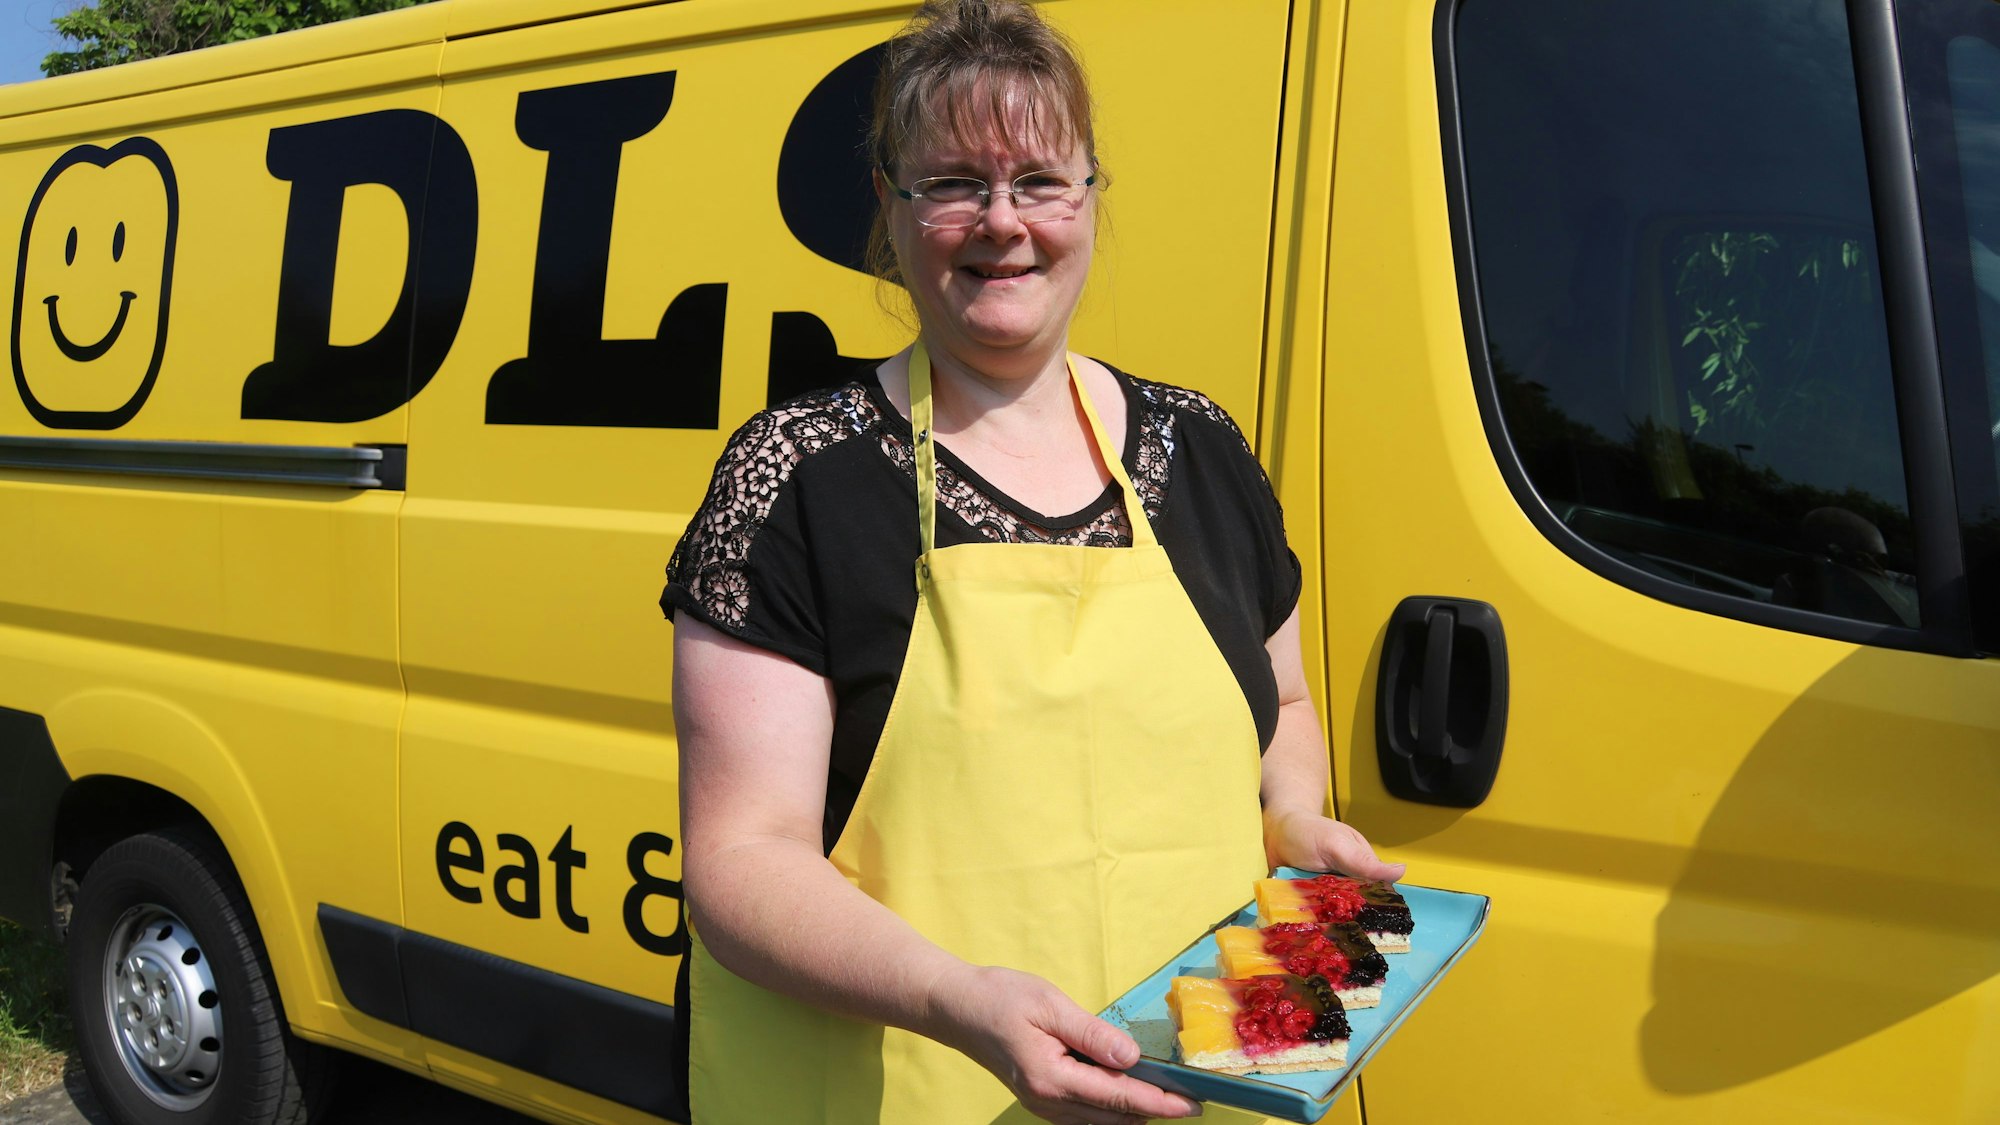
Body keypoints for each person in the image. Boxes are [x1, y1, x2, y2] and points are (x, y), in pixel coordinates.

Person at [661, 2, 1401, 1120]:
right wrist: (958, 1000)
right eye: (953, 182)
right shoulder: (797, 477)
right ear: (890, 207)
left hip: (1197, 1091)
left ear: (1091, 197)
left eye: (1040, 181)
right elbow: (741, 863)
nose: (1002, 221)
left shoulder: (1200, 447)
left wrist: (1292, 818)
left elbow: (1284, 701)